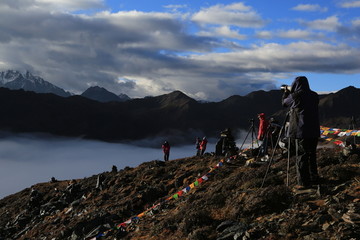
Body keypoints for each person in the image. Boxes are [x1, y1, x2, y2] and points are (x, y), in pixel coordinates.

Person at [282, 76, 320, 189]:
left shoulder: (295, 96)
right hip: (314, 130)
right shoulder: (314, 95)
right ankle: (314, 177)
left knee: (301, 156)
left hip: (301, 131)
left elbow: (284, 103)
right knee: (312, 155)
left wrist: (285, 93)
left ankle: (303, 182)